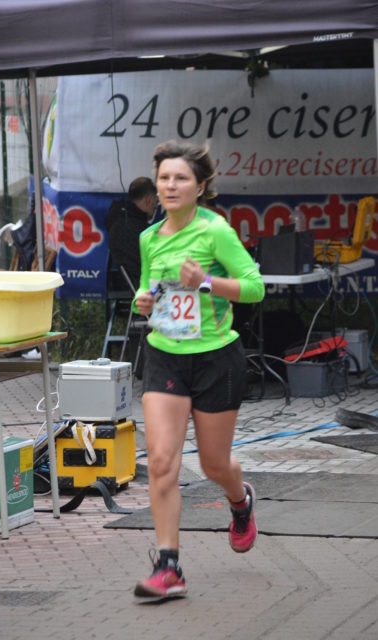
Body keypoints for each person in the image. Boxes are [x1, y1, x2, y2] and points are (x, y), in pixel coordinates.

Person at [132, 140, 265, 600]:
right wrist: (143, 301)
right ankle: (168, 566)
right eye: (164, 178)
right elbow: (148, 290)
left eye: (181, 178)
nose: (170, 185)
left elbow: (255, 287)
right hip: (164, 354)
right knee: (161, 461)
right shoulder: (150, 238)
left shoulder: (216, 231)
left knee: (212, 464)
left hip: (215, 358)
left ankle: (240, 500)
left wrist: (205, 282)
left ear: (200, 186)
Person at [105, 176, 158, 287]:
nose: (155, 207)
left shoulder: (122, 223)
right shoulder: (131, 229)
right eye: (156, 202)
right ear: (148, 200)